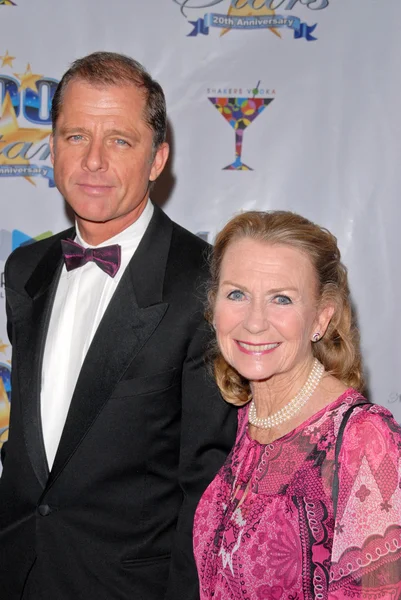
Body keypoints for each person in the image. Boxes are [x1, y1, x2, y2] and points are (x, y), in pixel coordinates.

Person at [0, 51, 236, 600]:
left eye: (121, 141)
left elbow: (211, 488)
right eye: (76, 136)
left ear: (157, 160)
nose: (94, 161)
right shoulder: (25, 269)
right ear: (52, 148)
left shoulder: (207, 283)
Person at [194, 210, 401, 599]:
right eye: (236, 294)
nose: (254, 322)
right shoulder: (244, 421)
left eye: (282, 299)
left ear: (322, 318)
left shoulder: (364, 439)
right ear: (214, 305)